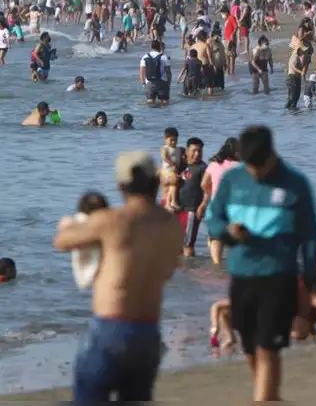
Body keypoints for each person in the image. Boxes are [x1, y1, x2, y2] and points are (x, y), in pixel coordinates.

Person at [53, 151, 183, 402]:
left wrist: (70, 223)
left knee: (89, 398)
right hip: (149, 331)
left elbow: (61, 242)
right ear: (156, 182)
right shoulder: (171, 225)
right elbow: (168, 271)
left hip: (113, 328)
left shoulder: (112, 221)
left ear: (120, 186)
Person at [204, 126, 316, 401]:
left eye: (258, 165)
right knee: (250, 348)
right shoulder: (233, 180)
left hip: (278, 276)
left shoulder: (295, 183)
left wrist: (311, 279)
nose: (254, 172)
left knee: (268, 347)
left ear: (271, 154)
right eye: (249, 165)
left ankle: (262, 399)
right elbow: (213, 217)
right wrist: (228, 232)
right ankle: (269, 397)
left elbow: (311, 236)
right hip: (242, 275)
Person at [196, 137, 241, 264]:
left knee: (215, 238)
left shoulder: (213, 165)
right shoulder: (240, 167)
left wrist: (212, 195)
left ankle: (217, 267)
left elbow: (204, 184)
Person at [177, 137, 206, 257]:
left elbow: (208, 189)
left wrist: (203, 205)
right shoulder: (180, 165)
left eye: (199, 151)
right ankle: (178, 272)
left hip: (191, 210)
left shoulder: (203, 168)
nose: (197, 154)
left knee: (188, 244)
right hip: (177, 209)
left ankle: (190, 270)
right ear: (187, 151)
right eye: (194, 150)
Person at [139, 39, 171, 106]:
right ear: (159, 46)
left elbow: (142, 71)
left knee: (150, 103)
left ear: (151, 47)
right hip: (162, 82)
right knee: (165, 104)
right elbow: (168, 72)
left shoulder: (145, 56)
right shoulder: (164, 57)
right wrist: (168, 84)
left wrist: (143, 83)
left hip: (149, 83)